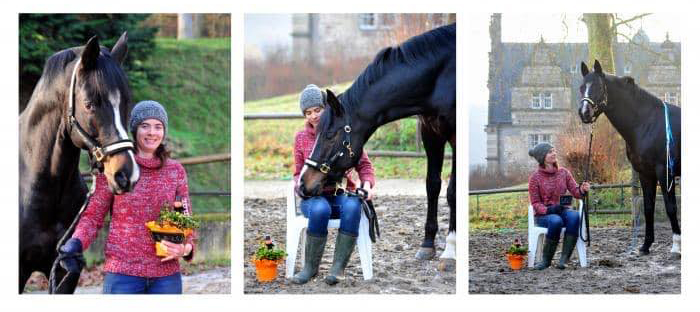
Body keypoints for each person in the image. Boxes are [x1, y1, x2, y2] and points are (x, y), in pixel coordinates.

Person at [59, 100, 195, 294]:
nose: (152, 133)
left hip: (166, 276)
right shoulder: (115, 167)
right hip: (123, 275)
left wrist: (185, 248)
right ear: (134, 129)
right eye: (145, 126)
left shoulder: (175, 171)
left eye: (158, 127)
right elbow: (93, 215)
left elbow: (185, 218)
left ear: (164, 131)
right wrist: (76, 242)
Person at [292, 84, 376, 285]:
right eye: (308, 112)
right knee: (320, 209)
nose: (313, 116)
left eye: (317, 110)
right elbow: (297, 173)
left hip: (340, 194)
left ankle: (338, 267)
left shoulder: (344, 133)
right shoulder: (301, 138)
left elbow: (364, 165)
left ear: (327, 109)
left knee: (353, 205)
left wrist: (367, 185)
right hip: (314, 198)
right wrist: (303, 186)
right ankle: (310, 268)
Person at [528, 142, 590, 270]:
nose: (554, 153)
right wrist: (549, 209)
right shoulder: (535, 178)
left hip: (562, 210)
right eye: (550, 152)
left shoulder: (564, 173)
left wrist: (583, 190)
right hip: (544, 215)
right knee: (556, 221)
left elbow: (576, 192)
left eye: (554, 150)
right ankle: (546, 260)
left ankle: (564, 260)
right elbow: (535, 203)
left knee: (574, 216)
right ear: (542, 157)